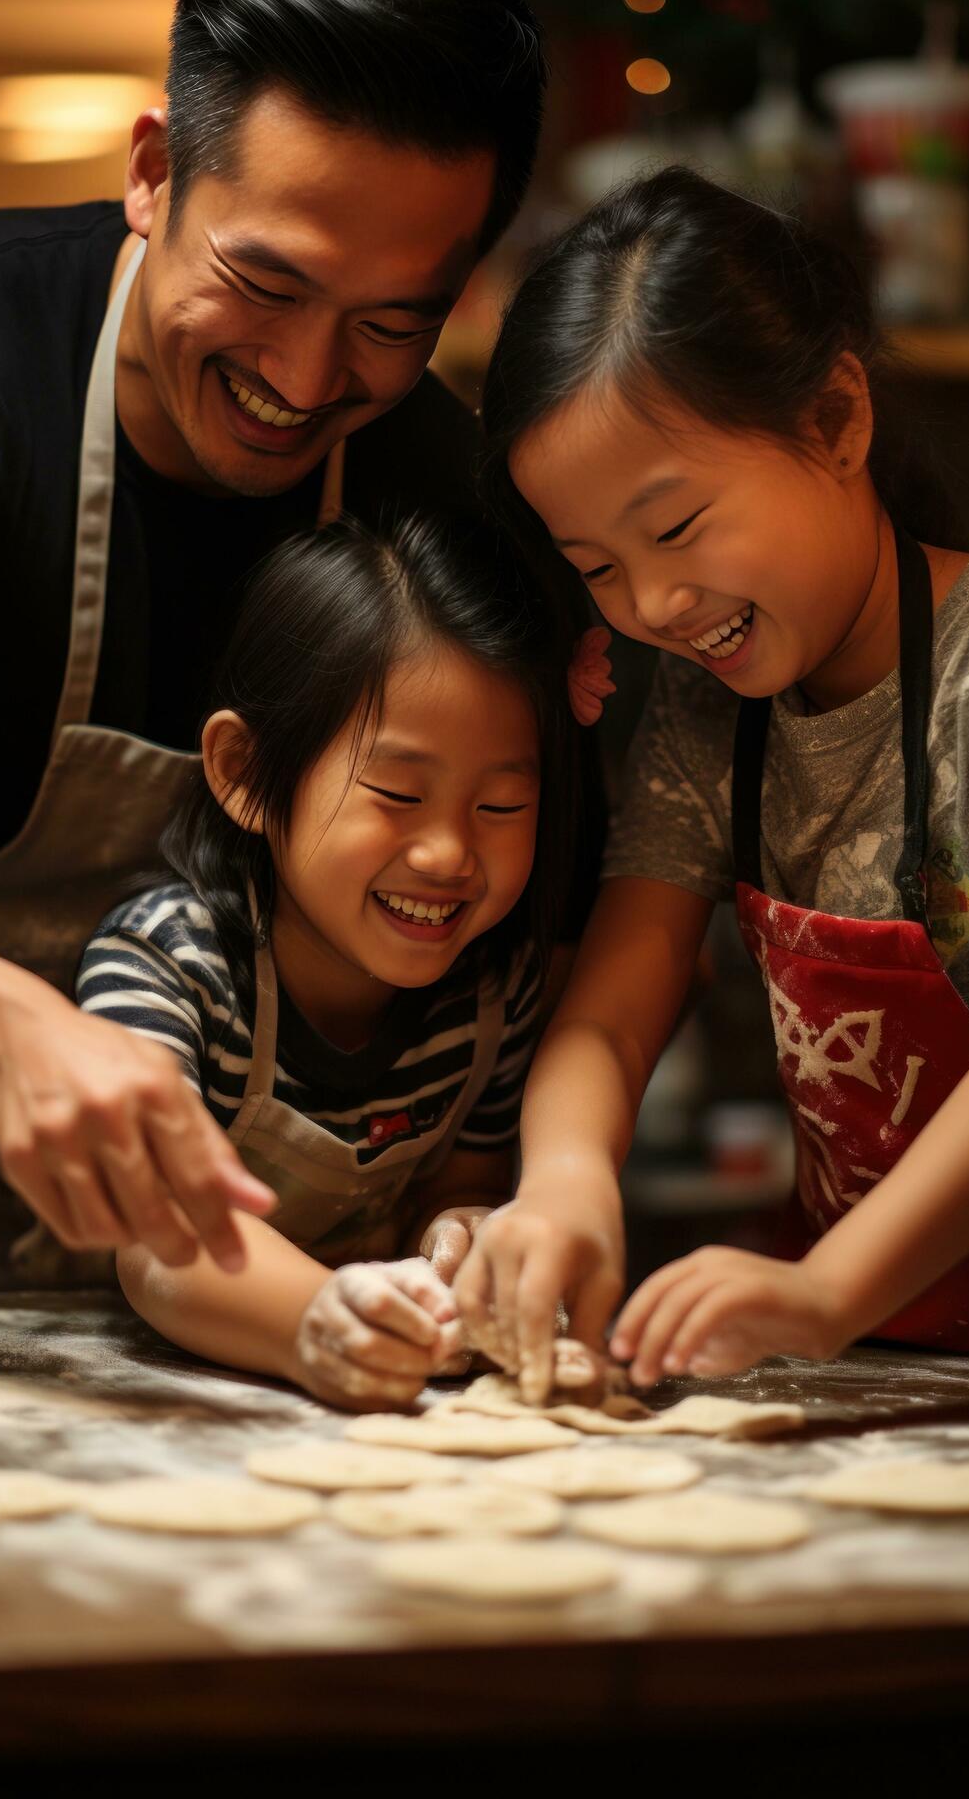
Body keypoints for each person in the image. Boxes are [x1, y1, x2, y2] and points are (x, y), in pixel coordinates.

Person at [0, 0, 547, 1290]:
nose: (307, 383)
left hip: (239, 1290)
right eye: (263, 284)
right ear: (153, 171)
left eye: (393, 324)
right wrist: (7, 1032)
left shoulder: (433, 488)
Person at [455, 165, 969, 1400]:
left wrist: (829, 1288)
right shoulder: (717, 710)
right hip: (891, 1370)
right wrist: (564, 1185)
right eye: (596, 566)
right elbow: (613, 1003)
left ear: (835, 421)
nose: (653, 607)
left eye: (678, 527)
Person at [75, 510, 580, 1408]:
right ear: (245, 774)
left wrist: (463, 1240)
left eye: (500, 806)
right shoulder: (164, 967)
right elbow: (159, 1239)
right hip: (133, 1394)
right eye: (397, 794)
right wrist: (317, 1317)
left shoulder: (494, 996)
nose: (449, 855)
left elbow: (463, 1185)